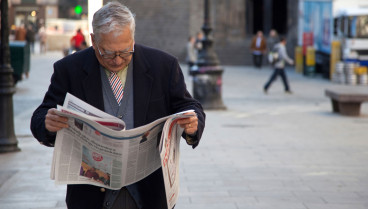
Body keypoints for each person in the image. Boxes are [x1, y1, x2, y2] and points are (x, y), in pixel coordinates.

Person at [30, 2, 205, 209]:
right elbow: (40, 117)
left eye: (125, 51)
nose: (117, 60)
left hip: (149, 193)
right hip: (92, 196)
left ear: (133, 38)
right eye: (108, 53)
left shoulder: (163, 66)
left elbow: (189, 105)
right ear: (93, 40)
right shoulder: (69, 70)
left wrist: (192, 125)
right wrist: (48, 123)